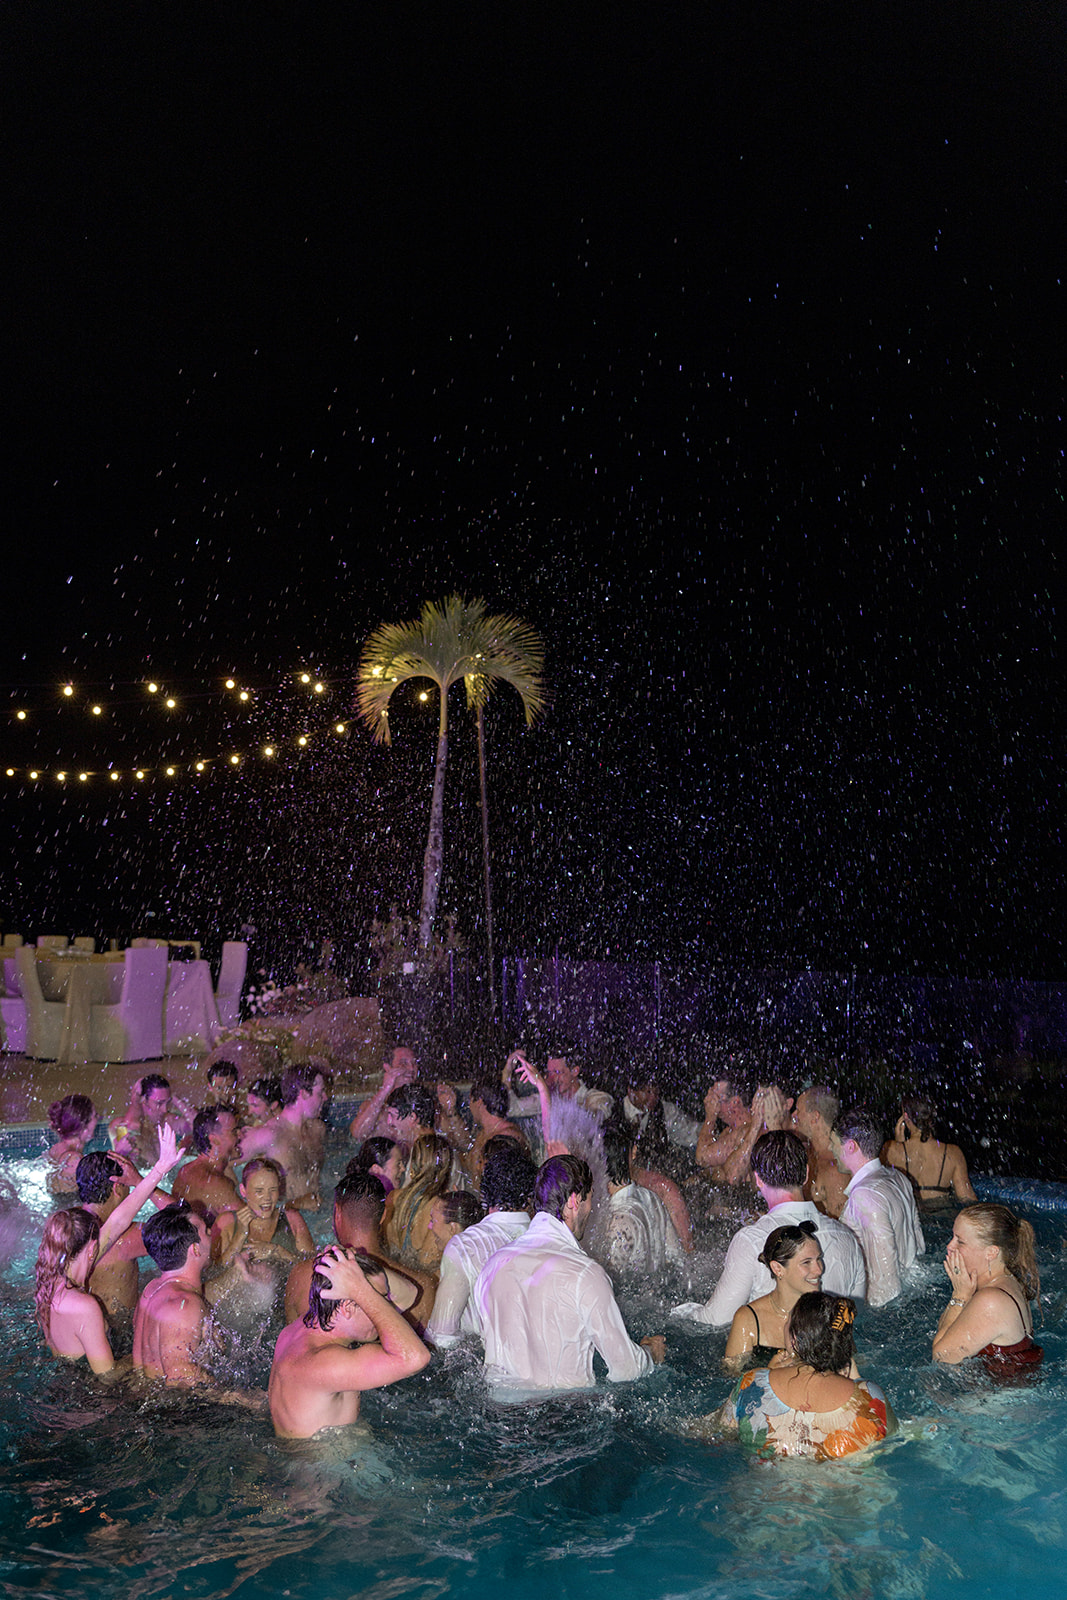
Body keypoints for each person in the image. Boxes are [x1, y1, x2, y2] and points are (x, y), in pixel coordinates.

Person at [473, 1154, 665, 1395]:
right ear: (575, 1201)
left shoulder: (492, 1267)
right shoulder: (585, 1274)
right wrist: (650, 1353)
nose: (591, 1209)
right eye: (590, 1199)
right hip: (564, 1417)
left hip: (501, 1418)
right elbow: (625, 1369)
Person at [672, 1131, 865, 1325]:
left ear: (758, 1179)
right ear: (806, 1174)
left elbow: (716, 1320)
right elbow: (858, 1318)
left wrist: (679, 1313)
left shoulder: (751, 1241)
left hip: (773, 1352)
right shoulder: (847, 1238)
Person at [35, 1126, 183, 1373]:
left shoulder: (51, 1281)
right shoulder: (84, 1305)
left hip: (63, 1373)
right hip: (91, 1393)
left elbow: (118, 1221)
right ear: (93, 1248)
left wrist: (159, 1169)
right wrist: (150, 1355)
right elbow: (107, 1378)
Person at [269, 1246, 431, 1439]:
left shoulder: (300, 1328)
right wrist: (360, 1290)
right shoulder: (323, 1364)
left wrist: (351, 1263)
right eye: (377, 1300)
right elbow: (415, 1358)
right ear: (347, 1308)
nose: (382, 1307)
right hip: (332, 1467)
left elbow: (409, 1294)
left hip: (319, 1457)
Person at [719, 1292, 895, 1460]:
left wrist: (767, 1373)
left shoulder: (752, 1382)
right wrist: (858, 1381)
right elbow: (895, 1438)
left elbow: (721, 1434)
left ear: (794, 1340)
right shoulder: (870, 1396)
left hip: (763, 1489)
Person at [284, 1172, 435, 1329]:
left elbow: (290, 1346)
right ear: (384, 1216)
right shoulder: (424, 1287)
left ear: (337, 1213)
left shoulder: (302, 1276)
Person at [424, 1142, 536, 1349]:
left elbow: (442, 1336)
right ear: (530, 1197)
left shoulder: (466, 1246)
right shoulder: (550, 1240)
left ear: (484, 1192)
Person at [932, 1203, 1042, 1380]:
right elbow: (948, 1335)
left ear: (991, 1252)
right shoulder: (1010, 1281)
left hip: (996, 1403)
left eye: (960, 1241)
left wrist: (960, 1295)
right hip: (1006, 1392)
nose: (949, 1246)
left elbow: (941, 1357)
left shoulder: (991, 1300)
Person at [835, 1108, 925, 1307]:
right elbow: (918, 1246)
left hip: (886, 1306)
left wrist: (875, 1318)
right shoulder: (898, 1177)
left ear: (850, 1146)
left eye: (834, 1143)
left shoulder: (865, 1195)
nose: (832, 1150)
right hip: (912, 1287)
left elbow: (886, 1281)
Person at [76, 1149, 173, 1322]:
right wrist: (140, 1182)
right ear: (117, 1187)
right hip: (120, 1334)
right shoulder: (126, 1237)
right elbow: (187, 1222)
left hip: (79, 1331)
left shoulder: (65, 1226)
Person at [722, 1220, 825, 1372]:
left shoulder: (829, 1313)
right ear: (778, 1268)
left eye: (819, 1259)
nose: (818, 1270)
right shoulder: (748, 1320)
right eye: (806, 1262)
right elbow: (730, 1379)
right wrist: (766, 1375)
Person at [133, 1204, 216, 1385]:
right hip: (174, 1410)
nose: (211, 1232)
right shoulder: (184, 1304)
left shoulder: (152, 1289)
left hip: (146, 1391)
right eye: (206, 1231)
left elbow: (140, 1369)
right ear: (195, 1249)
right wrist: (241, 1398)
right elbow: (180, 1377)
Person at [238, 1063, 329, 1209]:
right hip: (285, 1221)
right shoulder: (270, 1135)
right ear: (303, 1093)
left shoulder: (318, 1129)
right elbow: (221, 1162)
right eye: (321, 1092)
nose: (325, 1097)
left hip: (316, 1219)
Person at [602, 1122, 684, 1275]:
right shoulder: (652, 1198)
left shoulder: (617, 1221)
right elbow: (676, 1258)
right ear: (633, 1152)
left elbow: (609, 1283)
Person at [213, 1157, 314, 1270]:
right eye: (259, 1191)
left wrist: (277, 1251)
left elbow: (312, 1267)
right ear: (243, 1191)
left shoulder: (292, 1219)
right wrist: (240, 1235)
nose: (267, 1198)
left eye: (272, 1190)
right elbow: (213, 1272)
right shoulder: (226, 1222)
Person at [882, 1096, 977, 1211]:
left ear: (905, 1117)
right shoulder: (953, 1153)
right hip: (942, 1218)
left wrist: (898, 1144)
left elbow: (880, 1186)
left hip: (910, 1218)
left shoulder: (890, 1149)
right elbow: (967, 1200)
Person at [696, 1079, 792, 1187]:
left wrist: (710, 1116)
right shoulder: (729, 1131)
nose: (707, 1101)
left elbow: (702, 1158)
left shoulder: (748, 1131)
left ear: (735, 1102)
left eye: (715, 1099)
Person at [436, 1078, 529, 1183]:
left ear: (479, 1102)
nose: (470, 1106)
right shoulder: (485, 1133)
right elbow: (467, 1153)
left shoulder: (508, 1136)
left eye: (471, 1100)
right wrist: (451, 1110)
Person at [383, 1133, 453, 1270]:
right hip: (420, 1284)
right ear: (446, 1167)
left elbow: (385, 1249)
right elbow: (428, 1267)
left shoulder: (393, 1197)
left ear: (413, 1164)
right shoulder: (442, 1207)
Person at [171, 1106, 240, 1224]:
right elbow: (255, 1228)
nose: (240, 1136)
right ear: (214, 1140)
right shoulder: (216, 1184)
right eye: (234, 1132)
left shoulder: (187, 1170)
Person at [791, 1084, 850, 1218]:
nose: (794, 1115)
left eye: (798, 1110)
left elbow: (841, 1230)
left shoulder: (835, 1169)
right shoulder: (808, 1154)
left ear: (815, 1117)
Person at [110, 1074, 193, 1167]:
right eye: (159, 1103)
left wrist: (174, 1098)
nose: (165, 1109)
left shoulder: (168, 1121)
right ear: (144, 1100)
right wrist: (135, 1101)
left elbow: (197, 1126)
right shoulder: (120, 1126)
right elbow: (131, 1127)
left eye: (167, 1102)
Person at [347, 1047, 419, 1140]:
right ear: (387, 1067)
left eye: (414, 1063)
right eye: (403, 1063)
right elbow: (358, 1134)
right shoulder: (376, 1108)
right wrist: (385, 1088)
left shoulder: (423, 1104)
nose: (411, 1068)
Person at [45, 1094, 97, 1195]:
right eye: (95, 1116)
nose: (97, 1119)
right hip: (70, 1208)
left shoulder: (57, 1149)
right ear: (84, 1125)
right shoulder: (75, 1161)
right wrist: (121, 1153)